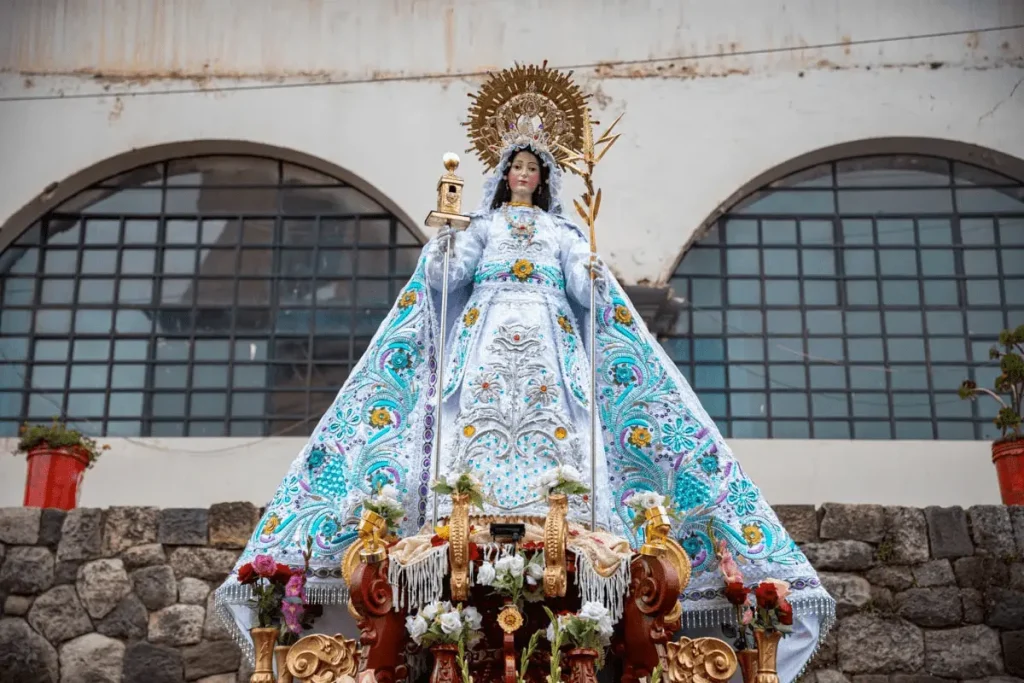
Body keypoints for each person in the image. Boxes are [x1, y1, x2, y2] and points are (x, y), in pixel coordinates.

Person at [214, 63, 833, 682]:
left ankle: (560, 501)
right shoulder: (479, 229)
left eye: (533, 170)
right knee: (476, 412)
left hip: (547, 342)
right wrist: (445, 247)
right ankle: (463, 502)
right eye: (516, 167)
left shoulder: (561, 231)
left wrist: (591, 269)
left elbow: (587, 296)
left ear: (544, 180)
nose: (523, 176)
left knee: (554, 413)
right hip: (483, 339)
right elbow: (446, 285)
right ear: (503, 173)